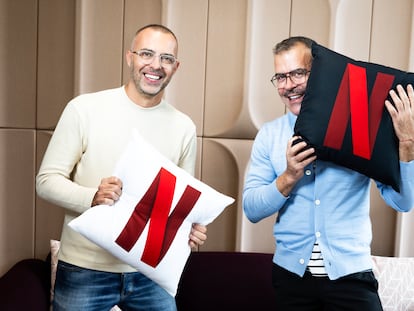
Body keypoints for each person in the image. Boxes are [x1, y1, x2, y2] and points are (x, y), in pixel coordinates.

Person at [36, 24, 207, 311]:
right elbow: (46, 181)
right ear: (130, 57)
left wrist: (188, 227)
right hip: (83, 270)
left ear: (176, 67)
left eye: (166, 58)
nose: (156, 65)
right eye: (147, 54)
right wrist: (93, 197)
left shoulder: (184, 127)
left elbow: (177, 203)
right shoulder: (84, 109)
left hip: (150, 272)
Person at [242, 36, 414, 310]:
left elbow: (402, 202)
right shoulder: (269, 135)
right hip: (291, 280)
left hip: (351, 276)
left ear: (320, 74)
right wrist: (288, 177)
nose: (289, 86)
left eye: (298, 73)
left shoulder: (360, 128)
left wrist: (407, 143)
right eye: (280, 77)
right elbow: (251, 209)